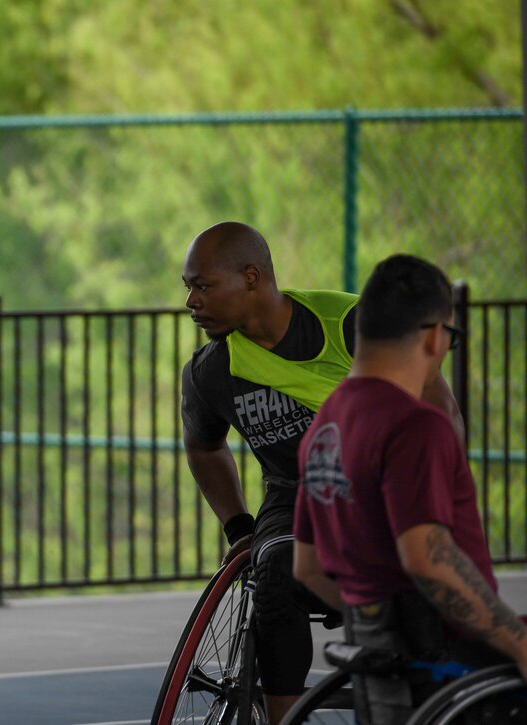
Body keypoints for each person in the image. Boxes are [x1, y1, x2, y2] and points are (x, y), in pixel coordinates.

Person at [179, 222, 462, 723]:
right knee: (273, 574)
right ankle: (284, 718)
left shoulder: (353, 322)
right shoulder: (211, 372)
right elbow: (204, 447)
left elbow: (440, 416)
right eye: (189, 289)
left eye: (203, 287)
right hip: (295, 497)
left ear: (251, 277)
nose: (192, 303)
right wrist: (238, 526)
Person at [293, 254, 527, 724]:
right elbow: (427, 560)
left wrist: (378, 626)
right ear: (436, 336)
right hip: (448, 664)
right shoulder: (418, 426)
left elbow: (308, 567)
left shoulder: (326, 423)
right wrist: (517, 644)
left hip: (380, 661)